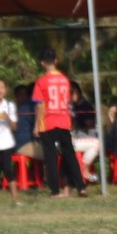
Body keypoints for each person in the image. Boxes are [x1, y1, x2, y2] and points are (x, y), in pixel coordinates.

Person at [32, 48, 87, 198]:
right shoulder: (64, 80)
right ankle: (81, 187)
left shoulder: (41, 82)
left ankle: (55, 190)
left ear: (43, 63)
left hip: (48, 121)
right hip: (63, 120)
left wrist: (37, 124)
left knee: (50, 157)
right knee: (70, 155)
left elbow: (39, 105)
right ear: (55, 61)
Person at [69, 82, 100, 184]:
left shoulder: (84, 106)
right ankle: (83, 170)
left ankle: (83, 169)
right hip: (71, 140)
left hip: (83, 136)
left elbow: (89, 125)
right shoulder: (69, 107)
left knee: (96, 142)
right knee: (96, 144)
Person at [0, 79, 20, 204]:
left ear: (6, 90)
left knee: (8, 169)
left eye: (1, 87)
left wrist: (7, 117)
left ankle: (15, 199)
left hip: (6, 142)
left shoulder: (9, 105)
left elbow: (14, 127)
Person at [13, 84, 43, 162]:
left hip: (21, 143)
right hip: (24, 144)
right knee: (51, 153)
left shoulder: (23, 107)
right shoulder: (32, 106)